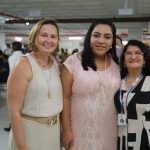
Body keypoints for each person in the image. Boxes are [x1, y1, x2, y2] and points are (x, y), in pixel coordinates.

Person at [61, 19, 121, 150]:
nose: (101, 40)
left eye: (107, 37)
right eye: (96, 35)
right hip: (79, 131)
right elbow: (64, 98)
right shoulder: (73, 62)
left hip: (110, 132)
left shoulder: (117, 67)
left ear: (112, 41)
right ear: (89, 37)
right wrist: (66, 130)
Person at [7, 19, 63, 150]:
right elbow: (14, 111)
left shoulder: (55, 64)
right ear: (34, 37)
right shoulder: (23, 65)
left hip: (52, 133)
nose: (49, 40)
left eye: (53, 36)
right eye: (44, 35)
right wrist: (22, 147)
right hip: (30, 133)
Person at [114, 40, 150, 150]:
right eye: (128, 53)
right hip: (122, 137)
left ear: (145, 60)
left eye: (138, 53)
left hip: (145, 138)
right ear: (124, 59)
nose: (133, 56)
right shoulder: (118, 82)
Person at [4, 41, 24, 132]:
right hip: (24, 82)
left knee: (13, 106)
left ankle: (12, 126)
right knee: (22, 105)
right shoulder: (25, 56)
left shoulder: (12, 57)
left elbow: (12, 72)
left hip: (13, 83)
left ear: (13, 48)